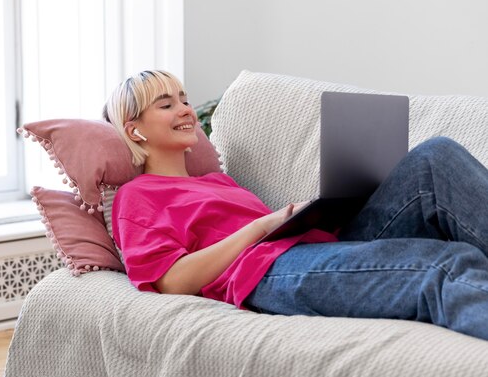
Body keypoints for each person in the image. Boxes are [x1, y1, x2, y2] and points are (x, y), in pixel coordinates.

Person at [103, 70, 488, 340]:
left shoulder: (217, 181)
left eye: (184, 100)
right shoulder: (136, 196)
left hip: (314, 244)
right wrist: (257, 229)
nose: (186, 110)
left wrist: (322, 207)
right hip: (264, 271)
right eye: (167, 105)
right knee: (443, 263)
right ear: (134, 128)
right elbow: (171, 281)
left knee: (435, 158)